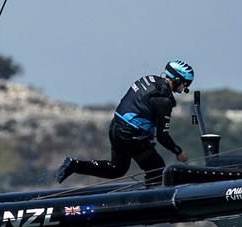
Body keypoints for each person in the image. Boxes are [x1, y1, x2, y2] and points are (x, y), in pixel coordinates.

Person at [55, 60, 192, 187]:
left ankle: (74, 165)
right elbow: (162, 136)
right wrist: (178, 151)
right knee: (157, 169)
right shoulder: (164, 100)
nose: (185, 87)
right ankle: (152, 204)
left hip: (116, 127)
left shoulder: (150, 79)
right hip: (131, 135)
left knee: (116, 169)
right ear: (177, 79)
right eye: (185, 83)